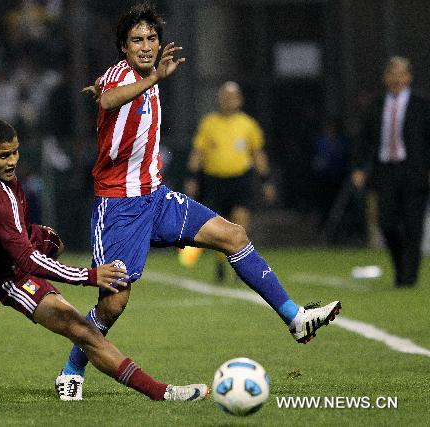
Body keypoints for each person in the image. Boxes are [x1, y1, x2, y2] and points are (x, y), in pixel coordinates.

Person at [56, 3, 342, 401]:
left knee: (234, 235)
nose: (146, 45)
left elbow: (105, 93)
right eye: (137, 40)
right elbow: (107, 101)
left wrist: (144, 78)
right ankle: (71, 369)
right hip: (119, 207)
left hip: (156, 198)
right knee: (113, 305)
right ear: (123, 46)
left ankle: (295, 318)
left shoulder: (139, 75)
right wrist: (148, 78)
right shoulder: (127, 76)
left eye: (151, 38)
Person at [0, 48, 209, 402]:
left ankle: (93, 380)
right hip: (9, 276)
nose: (12, 162)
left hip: (15, 249)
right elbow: (26, 261)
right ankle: (161, 393)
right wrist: (89, 275)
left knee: (83, 329)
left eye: (15, 152)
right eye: (3, 156)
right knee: (81, 329)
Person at [182, 81, 276, 280]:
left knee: (240, 224)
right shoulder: (209, 123)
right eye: (225, 97)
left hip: (241, 179)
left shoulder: (248, 124)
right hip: (215, 180)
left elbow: (258, 154)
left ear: (240, 100)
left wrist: (266, 181)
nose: (229, 101)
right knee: (218, 226)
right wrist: (192, 177)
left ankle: (239, 265)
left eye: (232, 97)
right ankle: (220, 262)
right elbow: (198, 153)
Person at [351, 56, 430, 288]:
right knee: (386, 223)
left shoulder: (421, 105)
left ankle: (409, 278)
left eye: (400, 74)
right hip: (385, 171)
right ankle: (400, 267)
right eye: (391, 74)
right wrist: (358, 167)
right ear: (385, 78)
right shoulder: (376, 105)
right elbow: (363, 139)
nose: (396, 78)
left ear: (408, 77)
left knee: (413, 225)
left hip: (414, 171)